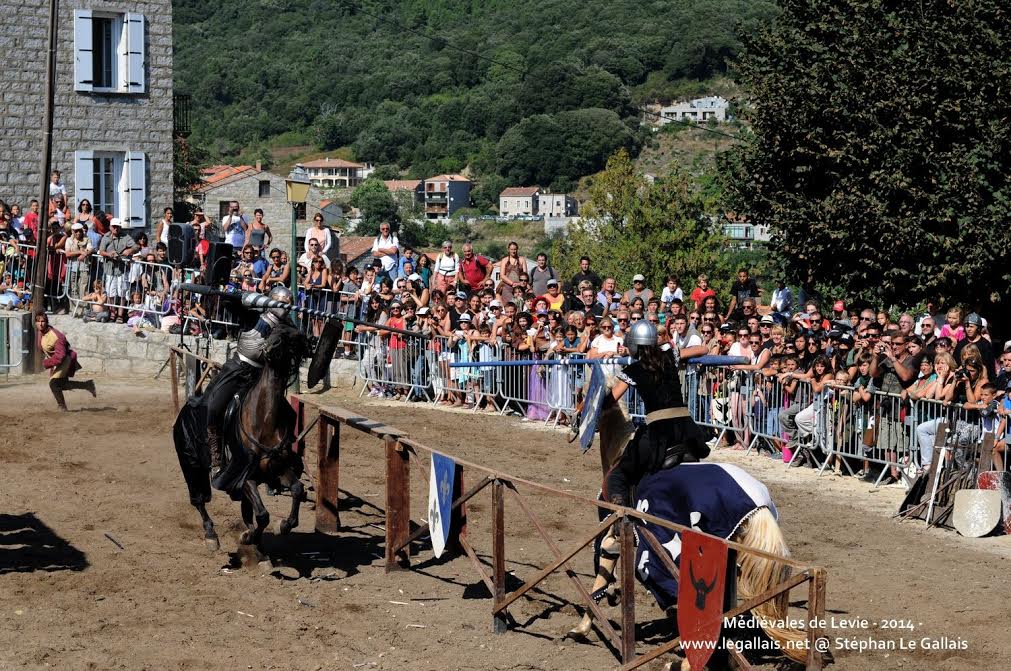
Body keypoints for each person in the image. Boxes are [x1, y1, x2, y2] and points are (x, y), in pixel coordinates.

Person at [604, 320, 711, 507]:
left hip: (659, 434)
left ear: (634, 345)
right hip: (687, 430)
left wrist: (596, 404)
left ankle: (622, 516)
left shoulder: (633, 370)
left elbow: (611, 399)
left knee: (618, 475)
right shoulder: (671, 356)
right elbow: (703, 349)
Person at [203, 284, 294, 477]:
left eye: (289, 304)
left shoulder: (288, 326)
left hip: (262, 376)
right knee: (213, 408)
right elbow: (229, 304)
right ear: (271, 301)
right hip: (238, 370)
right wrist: (237, 295)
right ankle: (216, 455)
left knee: (289, 414)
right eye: (283, 303)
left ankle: (284, 452)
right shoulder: (253, 316)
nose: (286, 308)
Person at [35, 311, 96, 410]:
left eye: (43, 321)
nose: (40, 324)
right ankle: (88, 385)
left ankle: (62, 407)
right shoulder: (40, 332)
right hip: (57, 362)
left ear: (46, 322)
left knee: (54, 384)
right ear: (35, 323)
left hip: (65, 360)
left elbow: (60, 356)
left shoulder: (57, 336)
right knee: (61, 384)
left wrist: (46, 363)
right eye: (38, 321)